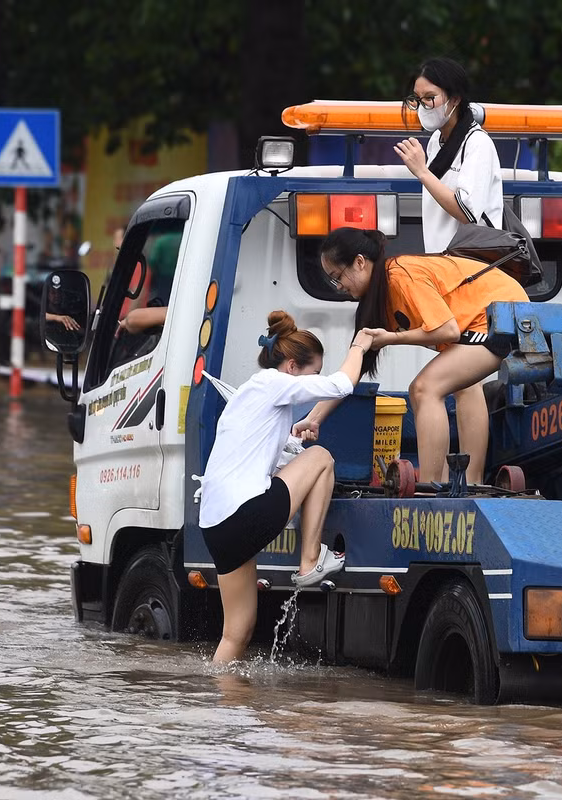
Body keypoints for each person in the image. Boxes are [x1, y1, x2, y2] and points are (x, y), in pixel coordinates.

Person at [199, 310, 374, 663]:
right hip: (244, 513)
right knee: (323, 457)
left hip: (215, 527)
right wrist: (359, 346)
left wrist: (299, 431)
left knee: (236, 632)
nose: (314, 381)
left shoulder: (249, 395)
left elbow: (269, 458)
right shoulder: (275, 383)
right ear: (292, 367)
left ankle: (219, 709)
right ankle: (310, 561)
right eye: (313, 373)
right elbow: (342, 385)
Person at [305, 227, 526, 486]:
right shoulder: (375, 300)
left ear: (360, 262)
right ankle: (469, 483)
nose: (338, 286)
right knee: (463, 385)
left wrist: (391, 338)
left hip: (503, 313)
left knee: (424, 388)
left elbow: (447, 329)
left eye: (337, 277)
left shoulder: (399, 275)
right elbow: (350, 373)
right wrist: (314, 418)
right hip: (494, 316)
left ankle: (431, 486)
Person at [395, 56, 502, 254]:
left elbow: (467, 213)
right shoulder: (436, 140)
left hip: (472, 265)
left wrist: (422, 172)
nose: (422, 106)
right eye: (417, 99)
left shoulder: (477, 143)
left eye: (429, 98)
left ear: (455, 99)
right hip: (441, 261)